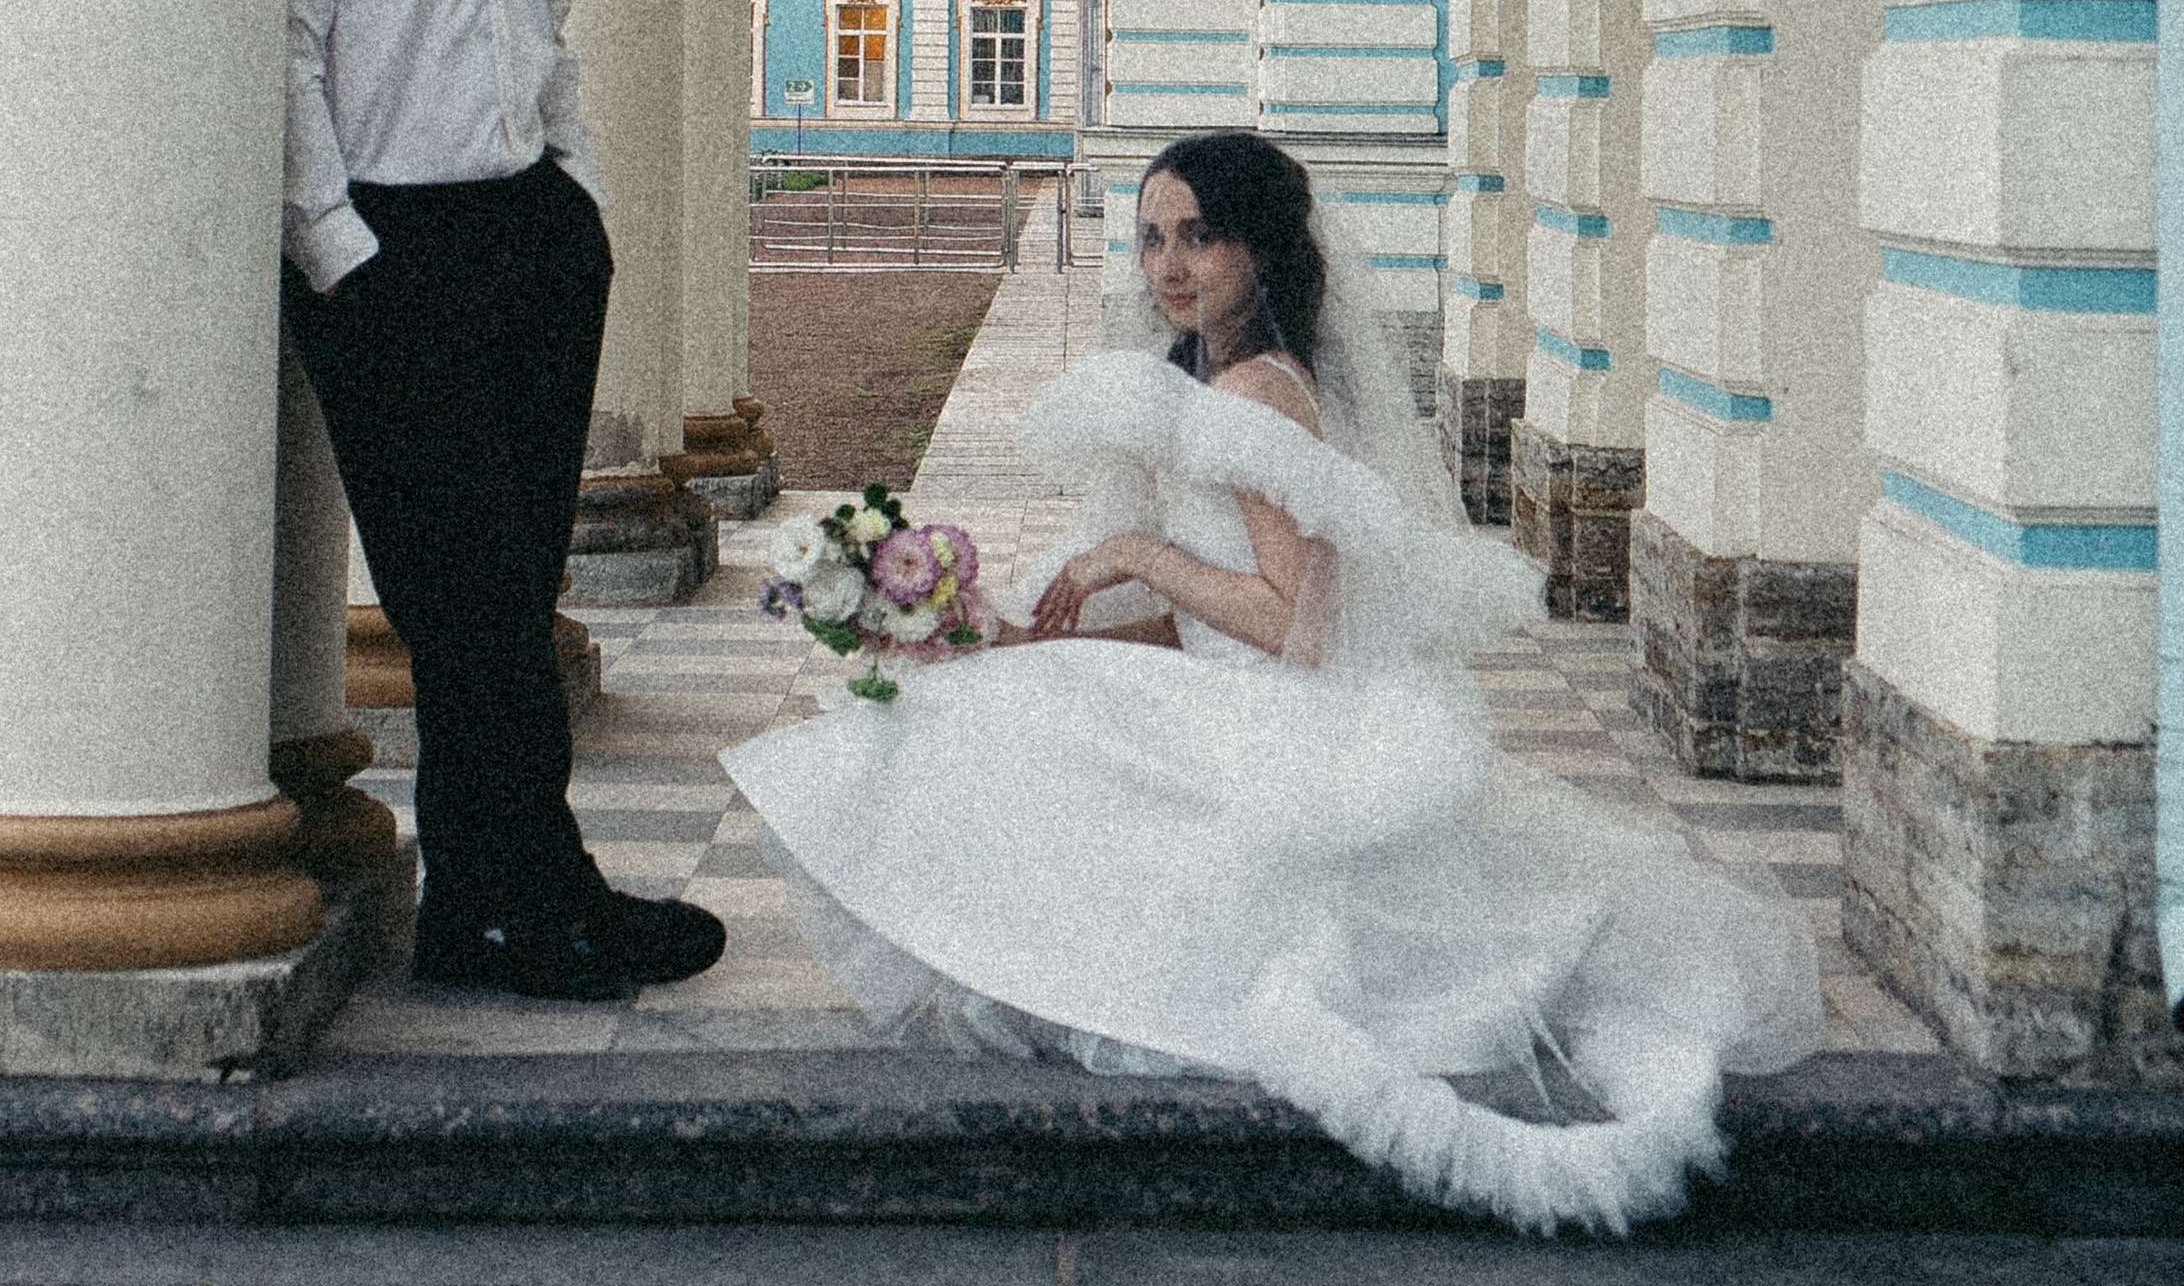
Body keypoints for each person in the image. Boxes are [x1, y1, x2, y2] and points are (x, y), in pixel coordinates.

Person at [727, 130, 1819, 1233]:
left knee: (994, 737)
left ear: (1262, 248)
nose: (1169, 265)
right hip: (1228, 686)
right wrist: (1056, 641)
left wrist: (1138, 558)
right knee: (1003, 699)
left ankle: (1039, 965)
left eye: (1201, 236)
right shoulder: (1207, 379)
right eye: (1153, 237)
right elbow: (1216, 619)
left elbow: (1295, 625)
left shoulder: (1256, 398)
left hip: (1279, 712)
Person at [282, 0, 725, 1003]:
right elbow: (283, 47)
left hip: (527, 240)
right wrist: (339, 250)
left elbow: (545, 29)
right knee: (458, 602)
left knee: (511, 590)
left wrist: (576, 196)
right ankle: (528, 898)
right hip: (390, 255)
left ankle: (508, 899)